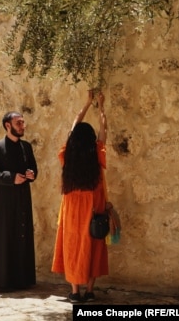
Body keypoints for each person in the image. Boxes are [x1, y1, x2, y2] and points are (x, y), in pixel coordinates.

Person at [51, 90, 110, 303]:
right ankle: (90, 291)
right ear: (91, 140)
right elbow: (104, 130)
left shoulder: (67, 155)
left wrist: (86, 103)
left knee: (73, 247)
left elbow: (72, 128)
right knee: (94, 245)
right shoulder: (96, 154)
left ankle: (75, 292)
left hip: (71, 210)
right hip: (94, 208)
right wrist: (101, 107)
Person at [0, 111, 38, 293]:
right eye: (19, 123)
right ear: (8, 125)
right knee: (4, 237)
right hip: (4, 201)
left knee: (22, 236)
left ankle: (23, 280)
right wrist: (10, 177)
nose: (23, 126)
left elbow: (33, 169)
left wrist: (31, 174)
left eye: (23, 122)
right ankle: (2, 282)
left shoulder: (26, 147)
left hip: (23, 198)